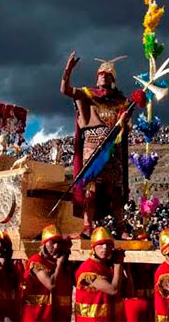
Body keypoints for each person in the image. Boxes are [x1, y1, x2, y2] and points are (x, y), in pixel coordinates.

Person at [61, 52, 131, 238]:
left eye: (107, 75)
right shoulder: (87, 94)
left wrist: (126, 117)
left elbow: (126, 126)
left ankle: (120, 227)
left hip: (113, 148)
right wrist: (68, 70)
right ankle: (87, 225)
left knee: (115, 189)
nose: (102, 77)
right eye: (100, 74)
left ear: (112, 79)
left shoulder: (120, 101)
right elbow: (65, 90)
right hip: (92, 145)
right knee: (90, 188)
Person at [21, 224, 72, 322]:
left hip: (54, 316)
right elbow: (51, 284)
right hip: (36, 316)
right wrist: (59, 265)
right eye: (52, 243)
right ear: (44, 244)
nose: (56, 246)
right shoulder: (36, 261)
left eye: (59, 243)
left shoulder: (60, 262)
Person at [74, 227, 127, 321]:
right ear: (93, 247)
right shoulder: (88, 269)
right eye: (101, 244)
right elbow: (113, 290)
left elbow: (129, 292)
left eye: (108, 244)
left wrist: (125, 267)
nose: (105, 248)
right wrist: (118, 264)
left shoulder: (107, 266)